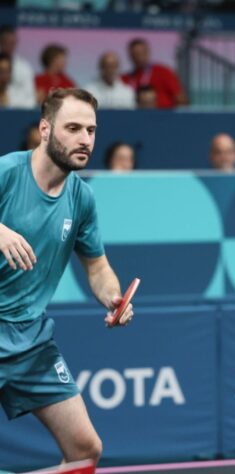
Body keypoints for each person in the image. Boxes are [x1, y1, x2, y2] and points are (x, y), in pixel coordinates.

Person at [0, 88, 134, 464]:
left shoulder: (82, 198)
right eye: (73, 128)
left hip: (31, 341)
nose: (85, 139)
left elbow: (97, 266)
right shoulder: (7, 173)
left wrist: (112, 297)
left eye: (91, 130)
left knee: (85, 451)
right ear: (45, 129)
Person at [122, 37, 187, 109]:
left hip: (164, 116)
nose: (139, 57)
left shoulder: (163, 72)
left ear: (148, 52)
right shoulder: (125, 79)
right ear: (130, 55)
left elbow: (180, 98)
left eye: (142, 53)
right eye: (136, 54)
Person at [0, 25, 35, 106]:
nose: (10, 45)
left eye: (12, 42)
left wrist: (9, 101)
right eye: (6, 42)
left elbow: (30, 99)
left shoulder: (24, 67)